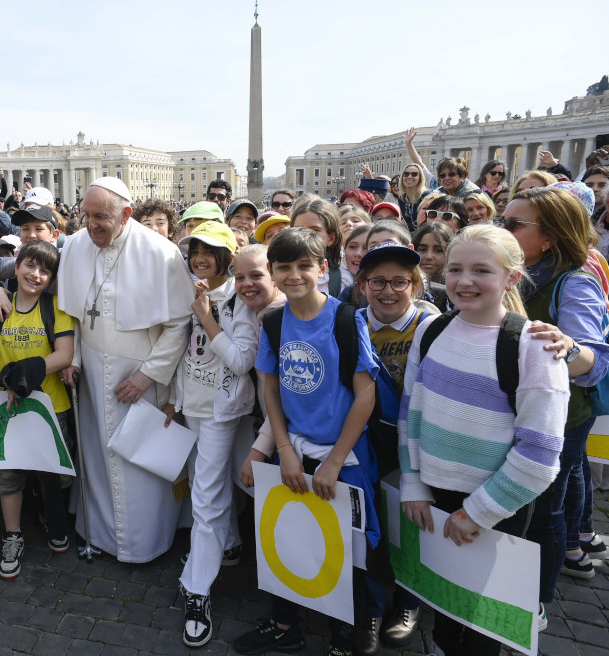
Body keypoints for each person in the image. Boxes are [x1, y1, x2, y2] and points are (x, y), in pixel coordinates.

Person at [399, 224, 569, 655]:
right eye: (455, 269)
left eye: (481, 270)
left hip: (497, 506)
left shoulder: (534, 347)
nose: (464, 281)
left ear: (513, 277)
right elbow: (410, 412)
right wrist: (413, 482)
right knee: (444, 601)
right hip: (434, 495)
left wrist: (479, 512)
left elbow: (539, 452)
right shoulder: (431, 330)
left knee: (483, 622)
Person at [235, 227, 379, 656]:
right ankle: (285, 621)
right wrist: (281, 449)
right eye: (284, 267)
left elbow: (365, 395)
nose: (294, 275)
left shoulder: (346, 318)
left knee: (350, 546)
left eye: (304, 266)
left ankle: (344, 632)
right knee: (292, 537)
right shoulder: (275, 321)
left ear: (322, 267)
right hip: (296, 451)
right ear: (274, 273)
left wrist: (335, 460)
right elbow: (271, 390)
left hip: (344, 455)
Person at [57, 177, 195, 562]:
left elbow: (179, 323)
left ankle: (146, 542)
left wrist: (147, 376)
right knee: (100, 458)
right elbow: (73, 312)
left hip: (139, 378)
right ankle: (99, 534)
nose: (91, 225)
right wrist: (74, 359)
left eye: (101, 217)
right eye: (86, 216)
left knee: (139, 465)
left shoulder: (161, 253)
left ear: (127, 214)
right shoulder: (76, 245)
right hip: (91, 376)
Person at [499, 187, 609, 615]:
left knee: (545, 510)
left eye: (513, 224)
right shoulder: (511, 269)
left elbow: (594, 361)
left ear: (548, 237)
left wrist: (568, 346)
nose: (501, 228)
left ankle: (536, 603)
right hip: (515, 411)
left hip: (561, 420)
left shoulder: (574, 280)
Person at [170, 222, 258, 647]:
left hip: (222, 410)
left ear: (227, 256)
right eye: (194, 250)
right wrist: (174, 397)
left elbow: (241, 361)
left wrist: (208, 320)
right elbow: (186, 349)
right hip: (194, 403)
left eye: (208, 251)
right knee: (211, 483)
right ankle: (230, 544)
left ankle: (198, 588)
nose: (199, 257)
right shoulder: (197, 290)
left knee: (205, 495)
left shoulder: (240, 298)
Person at [0, 241, 76, 580]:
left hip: (49, 407)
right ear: (16, 267)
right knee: (8, 475)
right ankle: (12, 535)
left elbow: (64, 354)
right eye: (30, 265)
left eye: (45, 270)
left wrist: (25, 373)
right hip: (4, 407)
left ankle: (54, 521)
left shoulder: (56, 307)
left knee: (52, 474)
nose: (36, 274)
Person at [352, 242, 433, 654]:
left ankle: (409, 600)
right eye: (377, 281)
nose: (388, 291)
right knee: (374, 521)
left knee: (414, 518)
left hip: (417, 440)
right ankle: (373, 602)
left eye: (399, 281)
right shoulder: (350, 323)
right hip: (368, 439)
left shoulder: (431, 325)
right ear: (362, 284)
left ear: (415, 285)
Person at [290, 197, 350, 297]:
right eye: (299, 229)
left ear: (331, 238)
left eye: (314, 230)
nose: (305, 235)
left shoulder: (343, 281)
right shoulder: (279, 274)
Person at [397, 164, 430, 231]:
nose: (409, 177)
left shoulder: (427, 196)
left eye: (414, 174)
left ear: (420, 178)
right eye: (406, 174)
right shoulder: (402, 198)